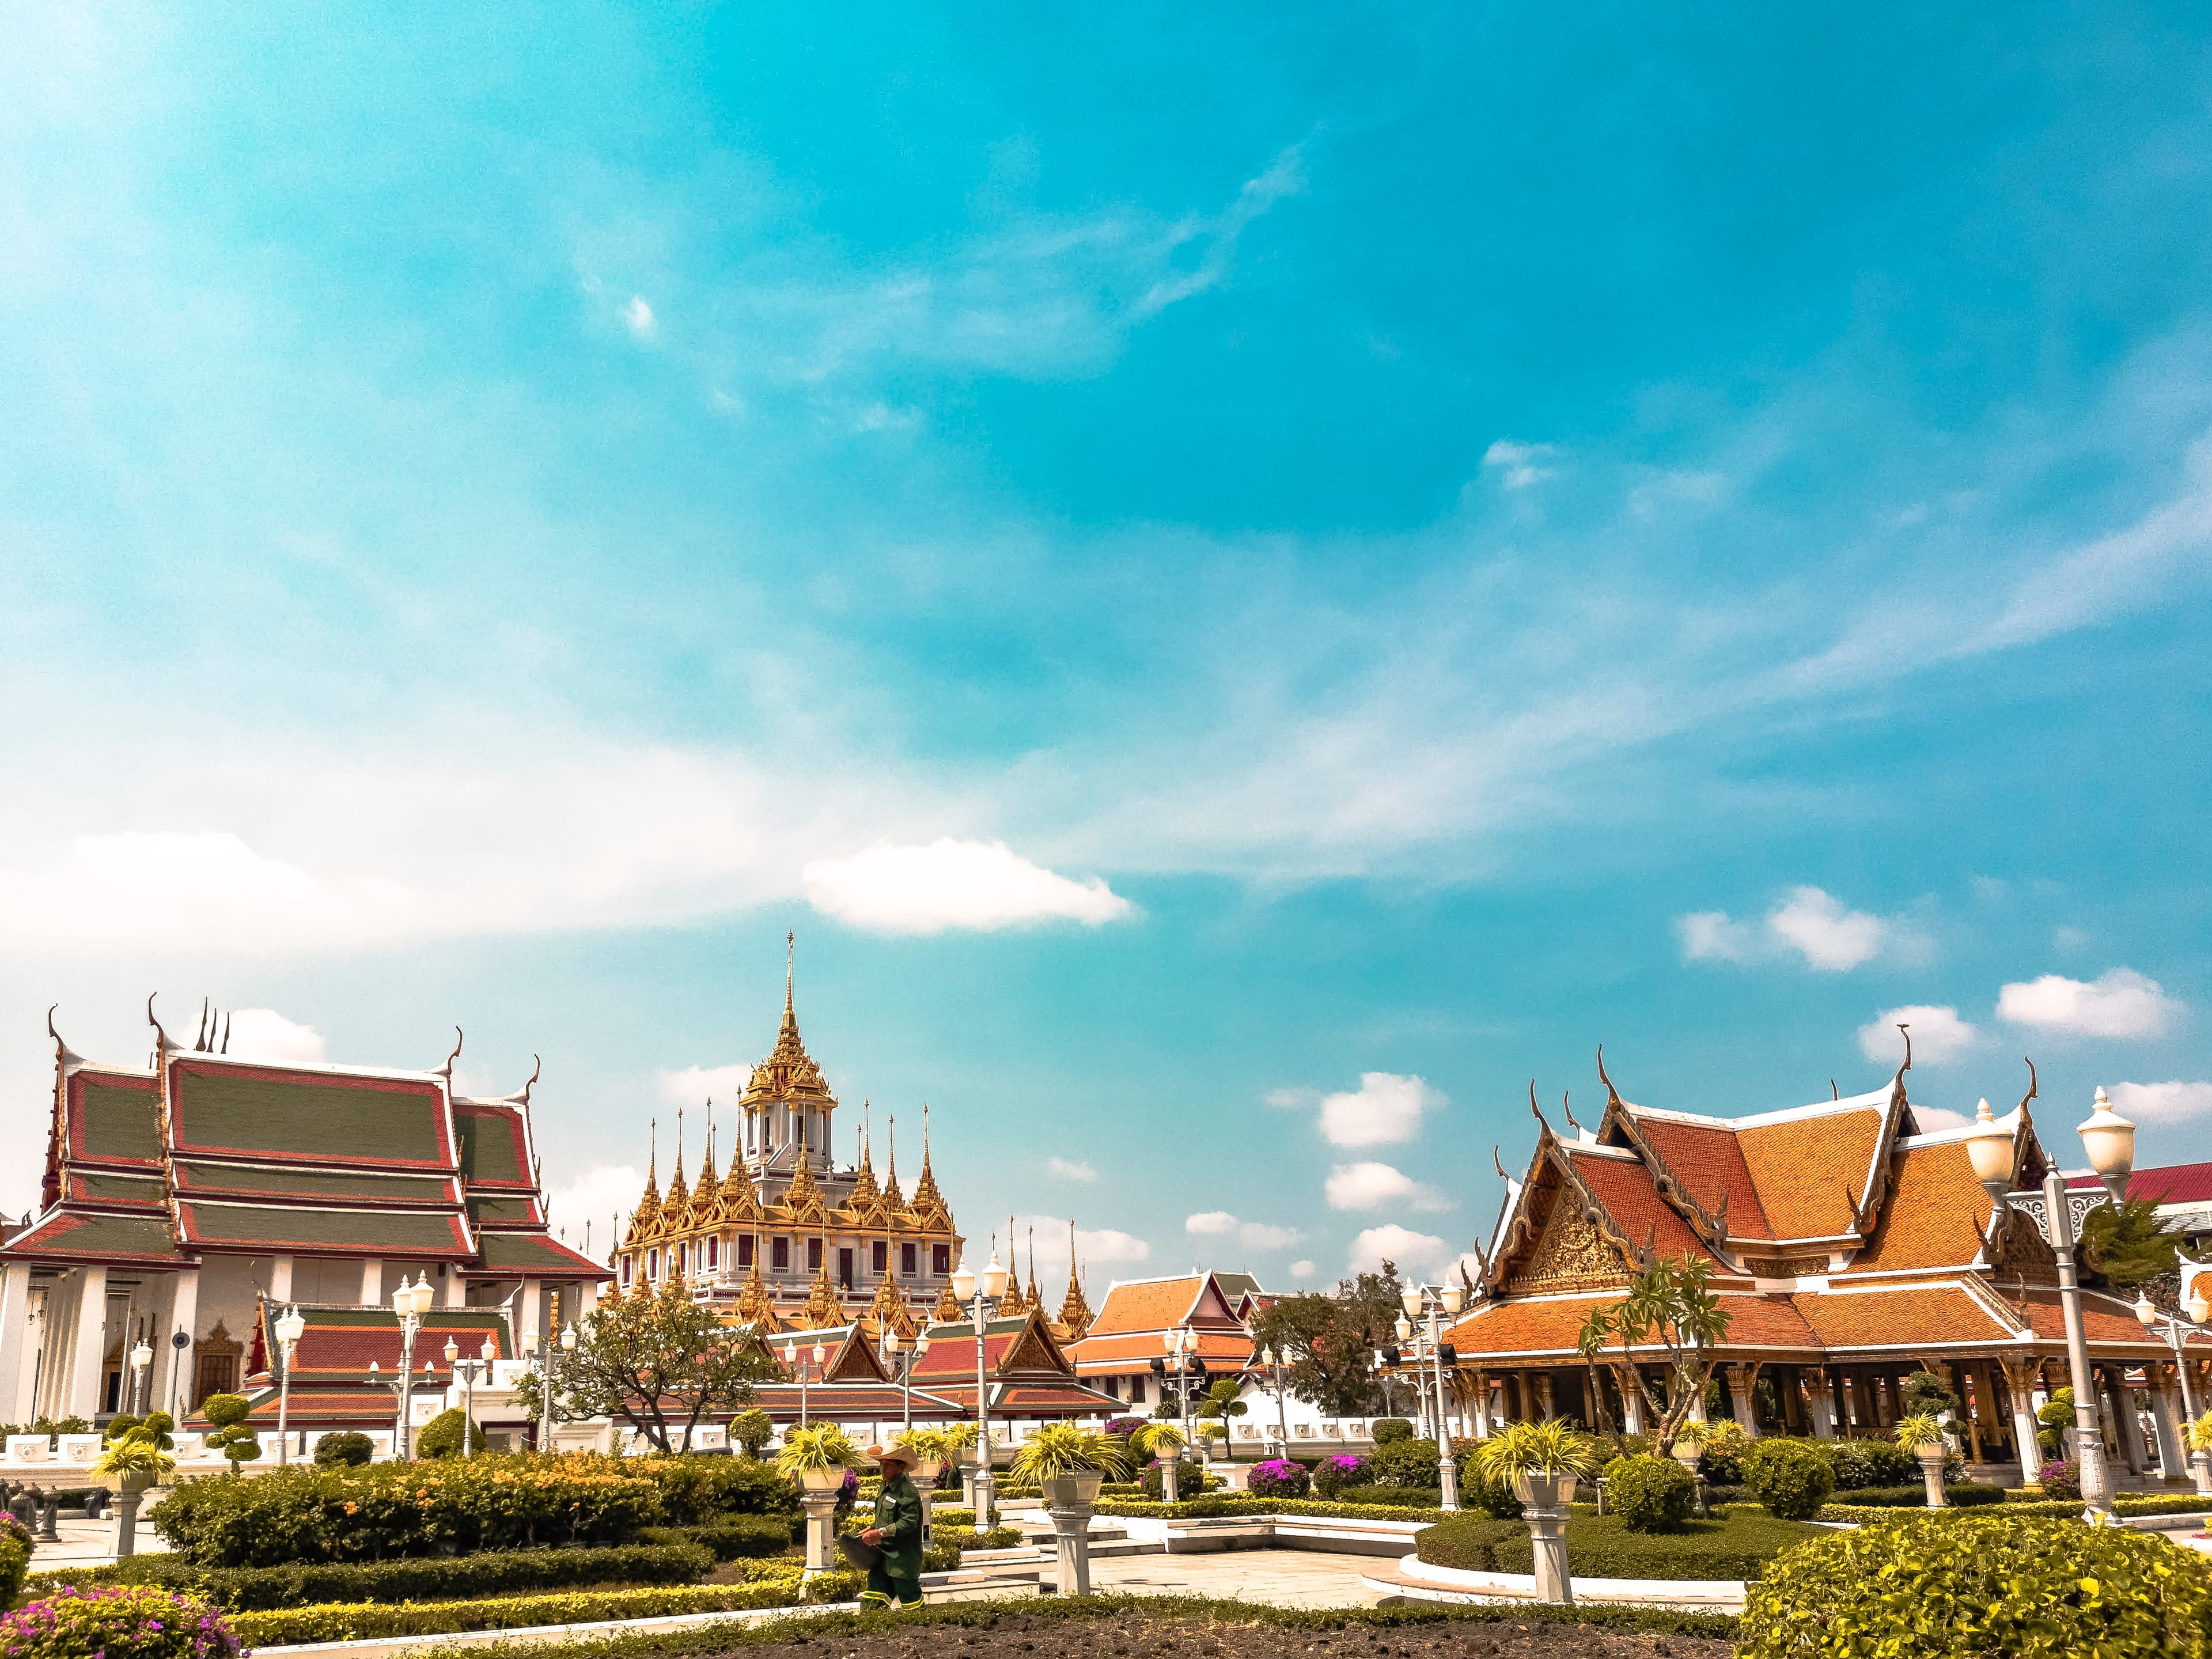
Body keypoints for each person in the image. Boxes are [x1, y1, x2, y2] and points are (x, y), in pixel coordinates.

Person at [858, 1441, 926, 1609]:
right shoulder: (885, 1487)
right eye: (882, 1464)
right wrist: (872, 1527)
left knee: (911, 1601)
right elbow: (886, 1517)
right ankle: (871, 1627)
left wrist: (879, 1533)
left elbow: (908, 1523)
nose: (883, 1469)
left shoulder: (907, 1492)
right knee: (873, 1598)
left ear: (900, 1468)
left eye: (888, 1465)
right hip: (883, 1556)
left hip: (902, 1560)